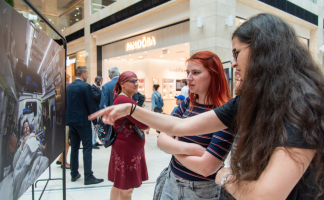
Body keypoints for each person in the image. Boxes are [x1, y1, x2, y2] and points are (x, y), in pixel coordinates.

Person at [89, 13, 324, 200]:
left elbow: (265, 194)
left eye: (237, 53)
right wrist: (131, 110)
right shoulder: (248, 101)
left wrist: (221, 174)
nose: (234, 62)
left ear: (263, 50)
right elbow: (176, 128)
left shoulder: (301, 105)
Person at [158, 51, 233, 200]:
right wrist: (190, 149)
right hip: (171, 181)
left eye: (196, 72)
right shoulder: (188, 103)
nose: (189, 78)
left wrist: (173, 147)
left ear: (214, 75)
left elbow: (206, 167)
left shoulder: (225, 112)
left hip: (201, 190)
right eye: (188, 72)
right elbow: (161, 139)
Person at [109, 71, 149, 200]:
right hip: (127, 149)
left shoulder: (121, 98)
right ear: (122, 84)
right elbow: (144, 124)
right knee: (127, 189)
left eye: (137, 80)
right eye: (132, 81)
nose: (136, 84)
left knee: (119, 184)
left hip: (125, 147)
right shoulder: (125, 100)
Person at [66, 66, 104, 185]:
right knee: (87, 148)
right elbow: (90, 105)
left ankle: (74, 173)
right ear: (83, 74)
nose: (87, 75)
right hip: (83, 122)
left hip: (72, 122)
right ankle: (88, 176)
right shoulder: (85, 86)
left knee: (75, 148)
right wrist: (95, 123)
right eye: (87, 73)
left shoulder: (69, 87)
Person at [13, 119, 49, 200]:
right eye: (24, 128)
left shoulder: (34, 137)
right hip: (26, 163)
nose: (27, 129)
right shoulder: (20, 142)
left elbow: (43, 149)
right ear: (22, 131)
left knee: (44, 161)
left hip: (36, 158)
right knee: (26, 183)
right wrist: (23, 145)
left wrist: (36, 141)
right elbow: (15, 163)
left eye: (28, 127)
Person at [56, 74, 71, 169]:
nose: (69, 82)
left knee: (67, 141)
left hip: (60, 120)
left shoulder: (58, 92)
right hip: (65, 120)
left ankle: (61, 158)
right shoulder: (64, 92)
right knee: (66, 142)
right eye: (67, 80)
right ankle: (64, 163)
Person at [91, 76, 104, 149]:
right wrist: (101, 88)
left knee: (97, 126)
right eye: (101, 81)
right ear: (98, 81)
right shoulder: (93, 88)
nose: (101, 83)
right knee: (94, 126)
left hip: (97, 109)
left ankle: (95, 141)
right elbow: (97, 96)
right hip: (94, 109)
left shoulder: (96, 88)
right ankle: (92, 142)